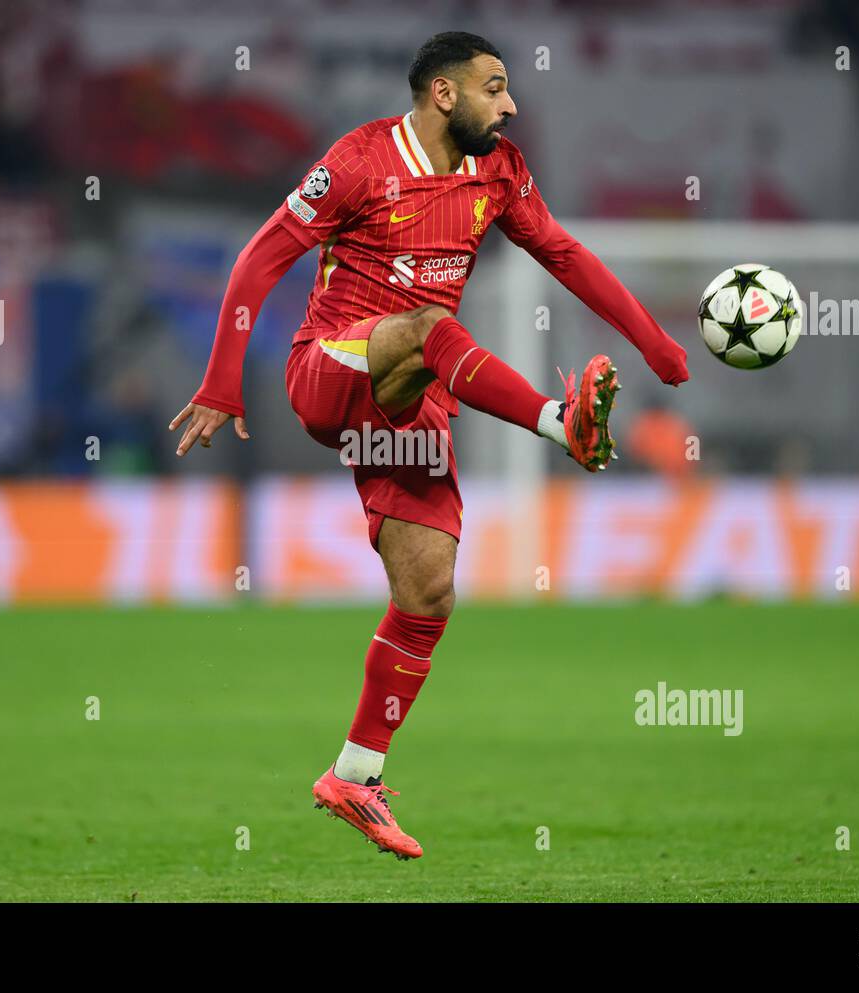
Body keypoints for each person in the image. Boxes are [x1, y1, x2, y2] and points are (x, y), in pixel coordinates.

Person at [169, 32, 688, 860]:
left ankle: (354, 773)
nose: (510, 104)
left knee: (429, 591)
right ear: (443, 94)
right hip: (331, 368)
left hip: (411, 402)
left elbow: (564, 253)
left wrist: (654, 343)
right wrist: (223, 380)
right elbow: (259, 260)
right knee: (431, 326)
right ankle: (563, 424)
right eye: (495, 87)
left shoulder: (501, 172)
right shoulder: (359, 161)